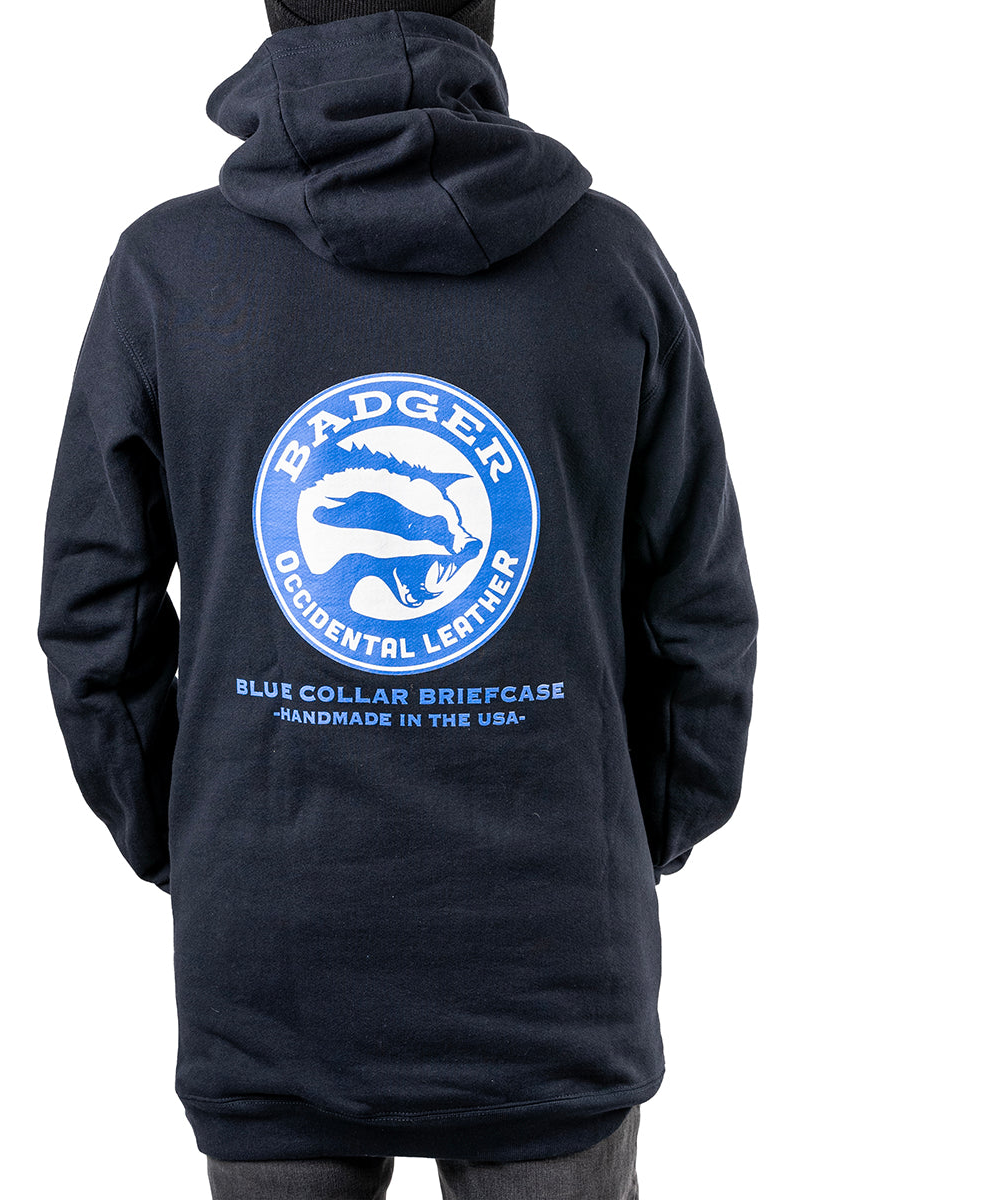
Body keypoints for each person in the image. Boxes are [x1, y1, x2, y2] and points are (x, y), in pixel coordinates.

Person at [37, 1, 758, 1196]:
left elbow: (90, 620)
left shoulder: (170, 271)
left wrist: (192, 838)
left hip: (266, 952)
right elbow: (701, 614)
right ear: (483, 16)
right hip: (552, 959)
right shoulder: (607, 263)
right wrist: (636, 836)